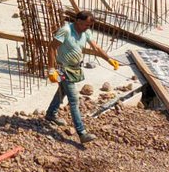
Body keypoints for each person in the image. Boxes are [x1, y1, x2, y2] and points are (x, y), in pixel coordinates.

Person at [45, 10, 120, 145]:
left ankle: (51, 113)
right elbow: (51, 48)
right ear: (78, 21)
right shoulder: (66, 31)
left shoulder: (86, 32)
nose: (87, 27)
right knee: (74, 100)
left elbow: (96, 47)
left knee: (62, 92)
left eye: (89, 25)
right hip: (63, 69)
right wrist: (51, 69)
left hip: (75, 68)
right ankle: (82, 133)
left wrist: (109, 59)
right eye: (86, 24)